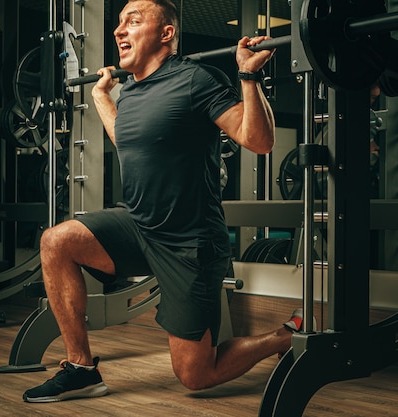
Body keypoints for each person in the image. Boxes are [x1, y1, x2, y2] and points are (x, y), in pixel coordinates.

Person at [23, 0, 305, 403]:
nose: (119, 30)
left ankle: (281, 338)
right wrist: (104, 95)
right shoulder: (133, 89)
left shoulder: (195, 79)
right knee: (57, 241)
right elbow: (128, 142)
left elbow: (258, 141)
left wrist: (247, 75)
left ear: (166, 34)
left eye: (133, 22)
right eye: (118, 23)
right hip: (138, 225)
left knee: (196, 375)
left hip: (189, 243)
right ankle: (81, 369)